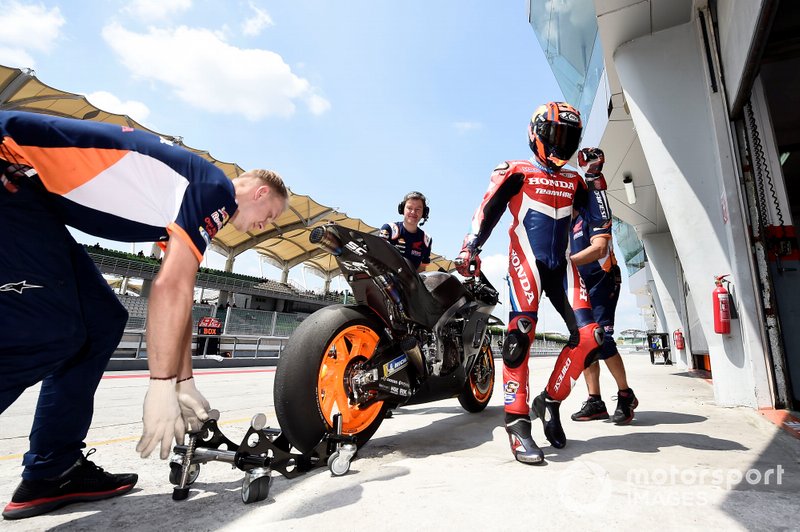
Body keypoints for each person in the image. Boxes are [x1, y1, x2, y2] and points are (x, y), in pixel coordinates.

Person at [0, 110, 288, 519]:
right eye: (271, 216)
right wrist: (159, 385)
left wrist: (184, 382)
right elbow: (171, 288)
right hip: (9, 170)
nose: (262, 227)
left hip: (27, 196)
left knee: (101, 323)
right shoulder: (215, 189)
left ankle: (53, 470)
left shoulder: (186, 197)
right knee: (50, 334)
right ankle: (51, 466)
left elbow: (179, 294)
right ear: (259, 193)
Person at [456, 102, 610, 465]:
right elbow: (487, 210)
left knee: (590, 336)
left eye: (569, 137)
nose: (562, 143)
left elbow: (600, 221)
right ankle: (517, 421)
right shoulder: (515, 169)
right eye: (556, 134)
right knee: (518, 337)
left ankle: (550, 402)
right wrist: (470, 248)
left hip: (563, 265)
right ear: (537, 133)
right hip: (526, 260)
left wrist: (595, 178)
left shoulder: (575, 179)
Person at [568, 148, 638, 425]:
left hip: (603, 279)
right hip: (580, 285)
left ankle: (625, 394)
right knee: (584, 341)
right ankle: (594, 401)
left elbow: (599, 249)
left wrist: (593, 172)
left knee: (602, 339)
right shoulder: (565, 222)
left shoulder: (590, 211)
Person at [380, 191, 432, 272]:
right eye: (409, 208)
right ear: (402, 209)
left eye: (418, 209)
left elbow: (422, 268)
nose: (413, 212)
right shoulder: (390, 229)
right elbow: (377, 255)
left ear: (424, 213)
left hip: (409, 283)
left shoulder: (426, 239)